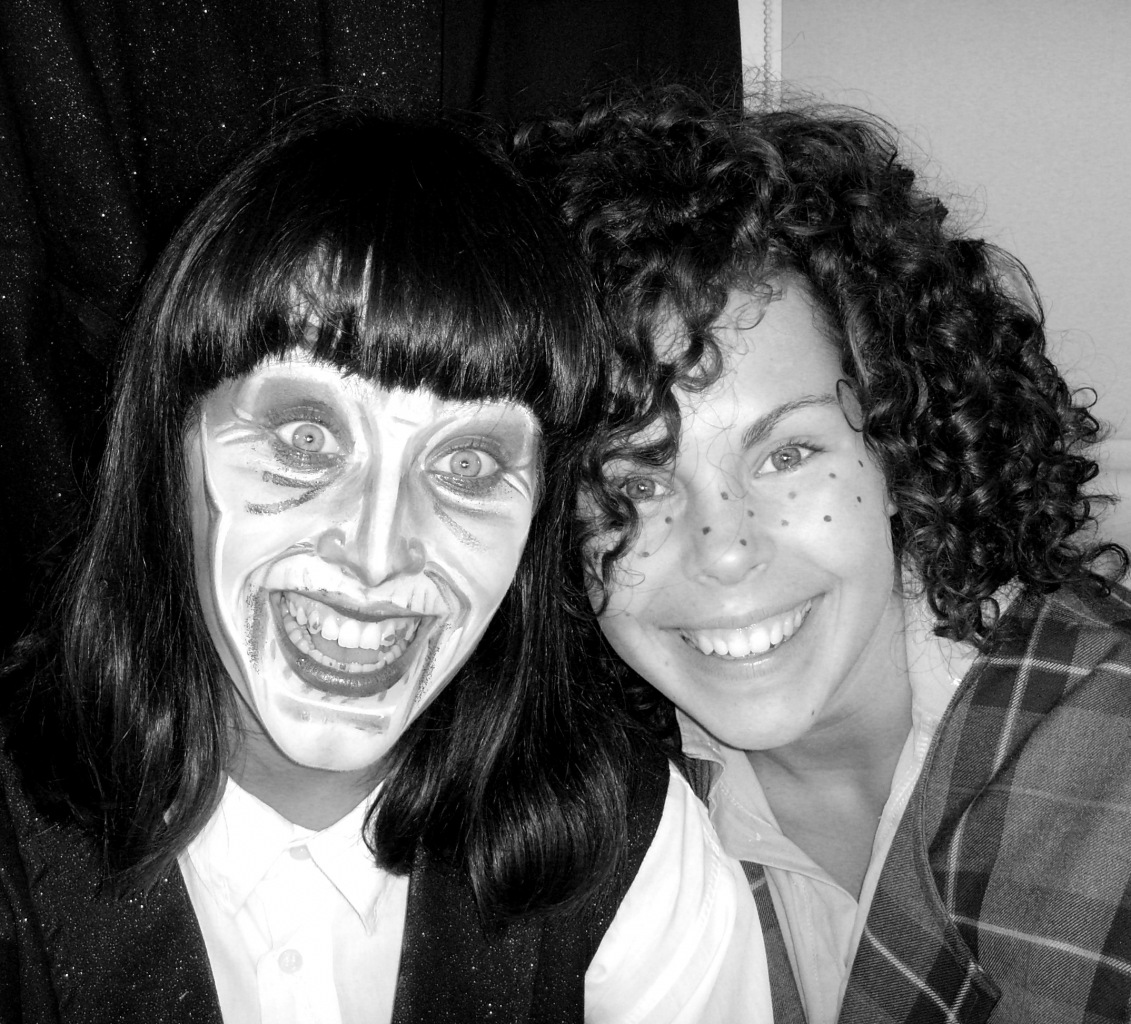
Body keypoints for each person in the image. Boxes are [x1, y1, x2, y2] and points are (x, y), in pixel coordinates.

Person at [0, 104, 770, 1023]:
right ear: (166, 449)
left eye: (467, 466)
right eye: (303, 439)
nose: (376, 555)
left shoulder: (636, 854)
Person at [514, 86, 1131, 1024]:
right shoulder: (586, 825)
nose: (725, 552)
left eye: (787, 455)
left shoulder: (1108, 756)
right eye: (633, 484)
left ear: (896, 445)